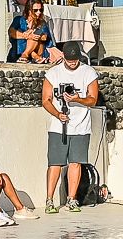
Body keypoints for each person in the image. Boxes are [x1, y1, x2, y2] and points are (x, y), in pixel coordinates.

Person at [42, 42, 100, 213]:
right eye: (69, 60)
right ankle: (49, 200)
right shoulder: (53, 73)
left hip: (81, 126)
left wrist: (77, 99)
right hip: (58, 127)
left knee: (76, 163)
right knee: (55, 163)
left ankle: (71, 199)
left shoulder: (88, 72)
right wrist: (58, 114)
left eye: (75, 60)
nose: (72, 63)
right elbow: (46, 100)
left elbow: (93, 99)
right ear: (64, 57)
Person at [9, 0, 53, 64]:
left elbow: (45, 37)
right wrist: (27, 36)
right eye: (35, 10)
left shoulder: (41, 22)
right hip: (18, 52)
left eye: (40, 10)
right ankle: (35, 56)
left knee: (36, 34)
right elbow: (12, 33)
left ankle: (25, 55)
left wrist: (34, 36)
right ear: (29, 11)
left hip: (38, 50)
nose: (39, 12)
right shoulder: (19, 20)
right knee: (28, 35)